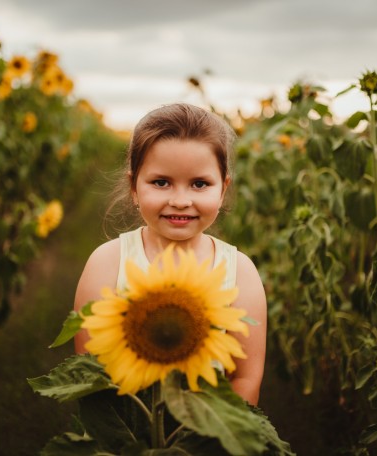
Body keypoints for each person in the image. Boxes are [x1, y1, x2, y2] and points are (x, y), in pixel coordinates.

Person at [73, 103, 266, 405]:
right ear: (134, 187)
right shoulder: (107, 263)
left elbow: (244, 378)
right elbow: (87, 373)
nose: (180, 200)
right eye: (161, 182)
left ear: (223, 189)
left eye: (199, 184)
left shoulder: (239, 272)